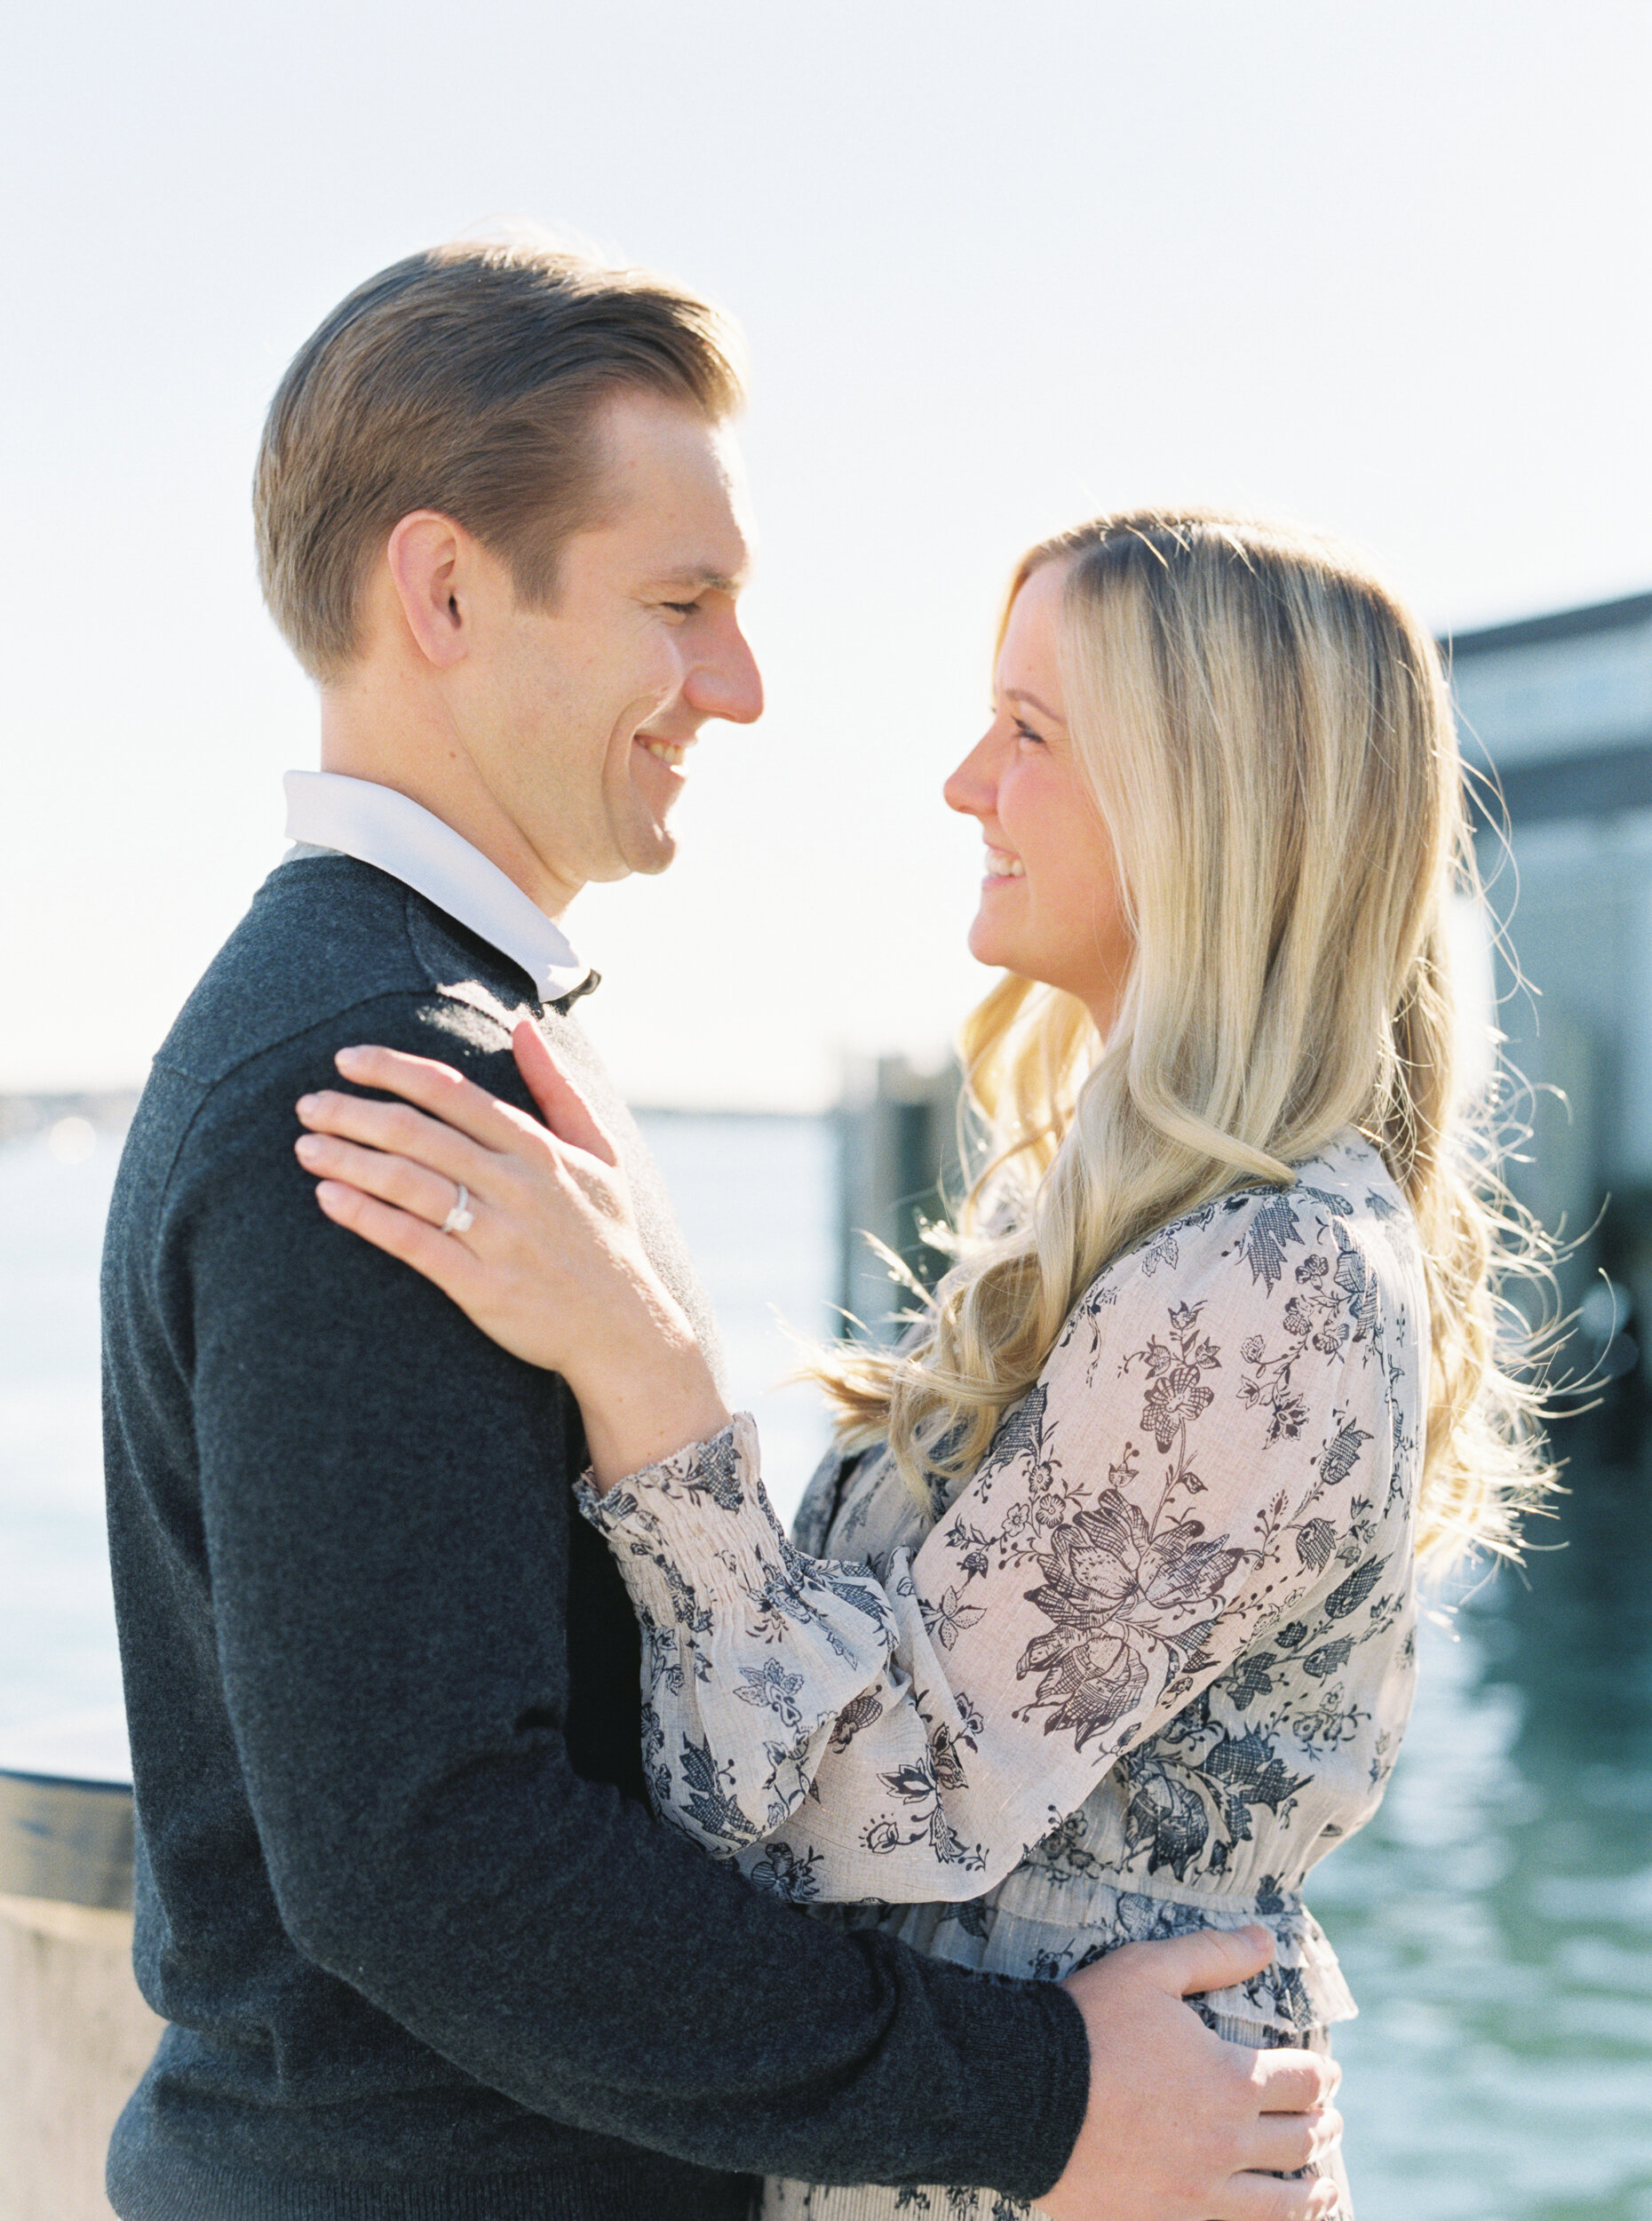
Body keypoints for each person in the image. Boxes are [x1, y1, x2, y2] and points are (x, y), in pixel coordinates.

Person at [100, 241, 1341, 2221]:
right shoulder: (374, 1076)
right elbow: (433, 1858)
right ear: (442, 591)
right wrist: (1041, 2099)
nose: (742, 689)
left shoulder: (419, 1023)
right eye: (684, 606)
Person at [290, 509, 1553, 2220]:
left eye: (1029, 732)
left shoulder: (1268, 1284)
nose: (966, 782)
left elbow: (868, 1802)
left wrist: (648, 1375)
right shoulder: (1134, 1229)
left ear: (1207, 810)